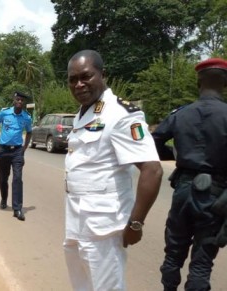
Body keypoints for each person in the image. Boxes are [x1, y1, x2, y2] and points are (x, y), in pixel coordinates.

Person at [64, 49, 163, 290]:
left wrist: (136, 223)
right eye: (72, 79)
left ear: (102, 74)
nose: (79, 84)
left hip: (105, 226)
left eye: (86, 77)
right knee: (83, 285)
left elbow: (152, 169)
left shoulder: (120, 115)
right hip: (77, 219)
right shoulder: (84, 112)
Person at [152, 58, 227, 291]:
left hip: (183, 190)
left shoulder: (181, 114)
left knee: (173, 254)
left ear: (198, 82)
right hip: (216, 196)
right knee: (202, 264)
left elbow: (153, 140)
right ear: (225, 85)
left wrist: (173, 156)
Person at [0, 91, 32, 221]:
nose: (20, 102)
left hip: (17, 151)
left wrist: (24, 148)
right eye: (18, 99)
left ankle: (17, 209)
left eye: (22, 100)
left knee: (17, 178)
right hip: (3, 150)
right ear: (14, 100)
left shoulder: (26, 117)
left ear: (24, 103)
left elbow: (29, 132)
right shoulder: (4, 113)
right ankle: (3, 198)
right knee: (3, 178)